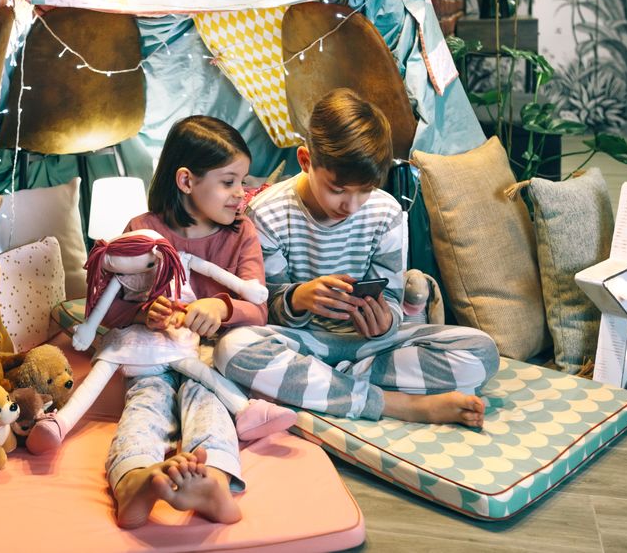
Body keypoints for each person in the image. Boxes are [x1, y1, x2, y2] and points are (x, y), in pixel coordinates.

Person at [214, 88, 500, 428]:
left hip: (369, 349)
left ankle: (320, 384)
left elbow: (391, 296)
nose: (350, 205)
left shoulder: (386, 213)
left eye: (364, 190)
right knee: (231, 348)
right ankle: (396, 404)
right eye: (338, 189)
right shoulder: (267, 215)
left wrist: (385, 322)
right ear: (306, 161)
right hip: (303, 343)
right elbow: (265, 305)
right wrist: (298, 299)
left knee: (482, 352)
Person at [91, 116, 276, 529]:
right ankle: (134, 479)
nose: (241, 195)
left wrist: (221, 308)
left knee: (207, 401)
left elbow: (259, 308)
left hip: (209, 359)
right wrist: (144, 312)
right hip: (153, 356)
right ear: (187, 180)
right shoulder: (142, 231)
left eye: (243, 182)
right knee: (146, 402)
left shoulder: (241, 234)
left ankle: (212, 479)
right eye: (229, 182)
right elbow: (107, 311)